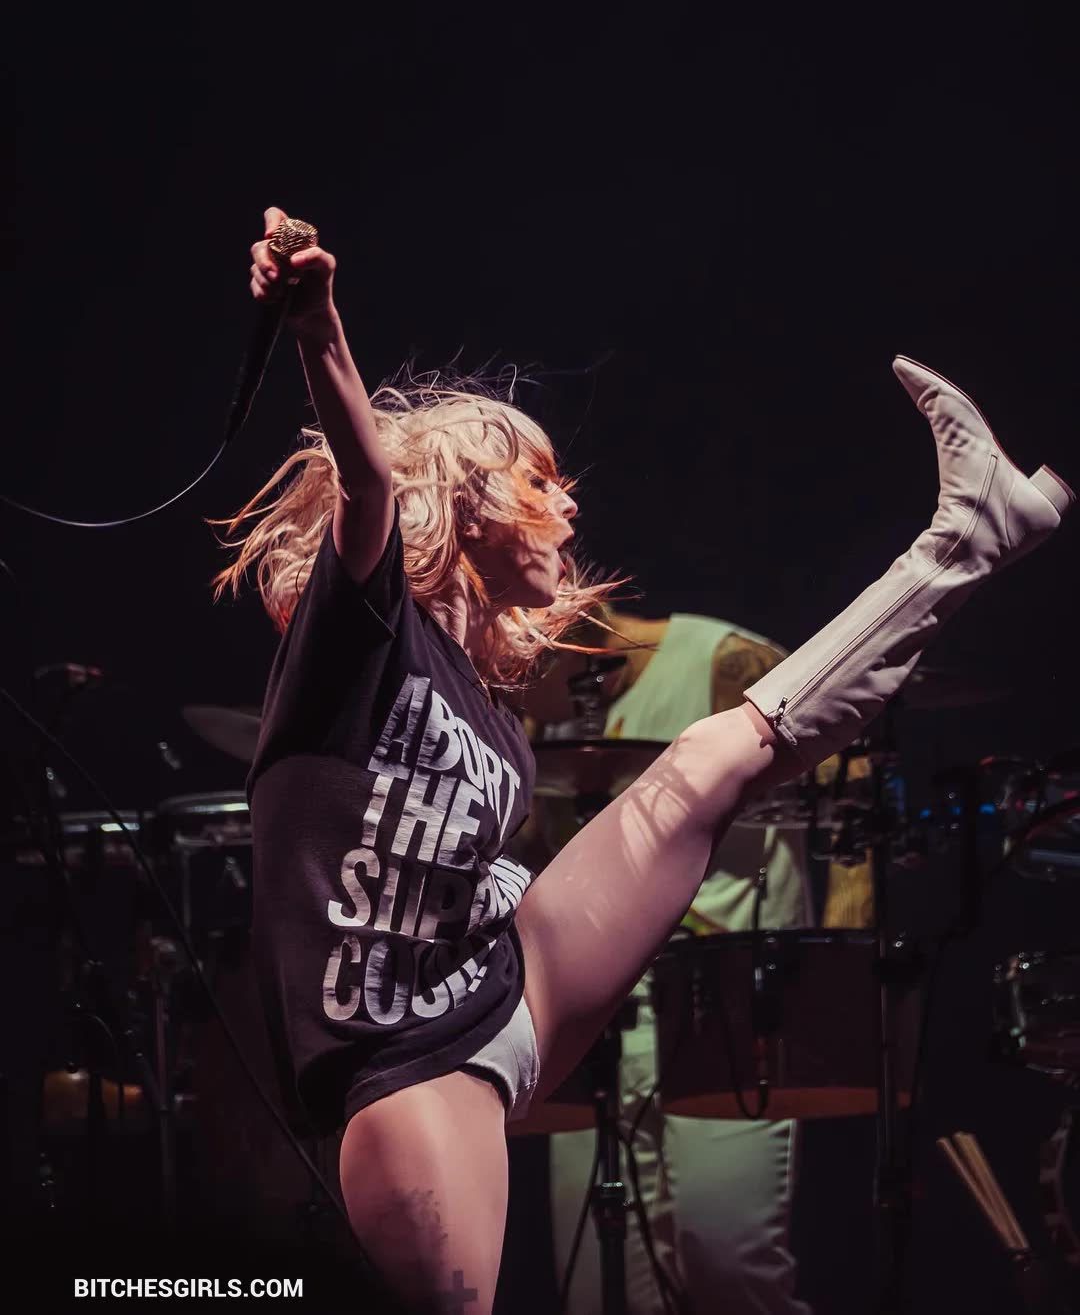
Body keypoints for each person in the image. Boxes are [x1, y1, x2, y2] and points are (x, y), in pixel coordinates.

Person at [213, 206, 1072, 1315]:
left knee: (713, 756)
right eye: (541, 484)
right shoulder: (358, 636)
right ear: (468, 505)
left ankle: (969, 538)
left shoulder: (487, 708)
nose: (570, 505)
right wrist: (318, 328)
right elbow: (370, 486)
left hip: (504, 979)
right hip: (402, 1054)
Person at [519, 612, 815, 1314]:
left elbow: (847, 792)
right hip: (597, 1013)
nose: (504, 685)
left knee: (727, 1262)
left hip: (728, 1005)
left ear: (563, 632)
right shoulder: (540, 714)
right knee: (598, 1291)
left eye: (516, 670)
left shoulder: (724, 662)